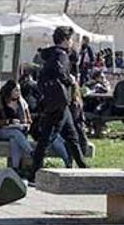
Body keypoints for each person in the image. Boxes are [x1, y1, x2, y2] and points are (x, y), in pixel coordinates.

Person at [31, 26, 88, 177]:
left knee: (72, 136)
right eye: (70, 39)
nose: (71, 42)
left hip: (55, 101)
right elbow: (60, 71)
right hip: (60, 102)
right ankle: (34, 170)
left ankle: (83, 167)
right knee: (48, 137)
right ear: (64, 40)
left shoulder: (49, 54)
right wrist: (70, 79)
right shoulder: (61, 55)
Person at [0, 80, 34, 175]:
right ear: (9, 91)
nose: (18, 93)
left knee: (14, 139)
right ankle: (31, 152)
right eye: (16, 90)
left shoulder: (22, 103)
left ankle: (15, 168)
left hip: (19, 132)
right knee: (15, 133)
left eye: (19, 90)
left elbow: (29, 120)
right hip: (3, 131)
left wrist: (26, 125)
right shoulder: (0, 102)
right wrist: (8, 121)